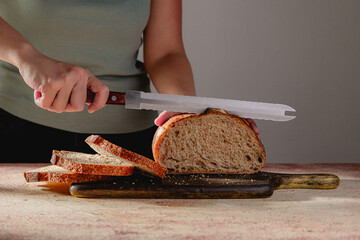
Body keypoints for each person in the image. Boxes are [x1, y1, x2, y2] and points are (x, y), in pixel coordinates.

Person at [0, 0, 259, 163]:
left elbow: (167, 51)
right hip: (14, 128)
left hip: (129, 146)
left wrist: (182, 107)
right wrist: (27, 57)